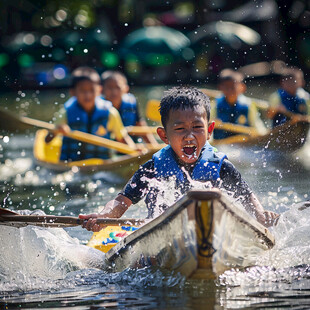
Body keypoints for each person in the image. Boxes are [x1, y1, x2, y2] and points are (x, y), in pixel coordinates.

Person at [79, 87, 278, 231]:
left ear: (209, 131)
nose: (189, 136)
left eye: (197, 128)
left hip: (212, 230)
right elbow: (122, 200)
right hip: (162, 231)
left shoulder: (220, 165)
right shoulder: (153, 169)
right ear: (164, 136)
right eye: (180, 129)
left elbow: (246, 195)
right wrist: (104, 216)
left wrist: (260, 215)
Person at [45, 67, 136, 161]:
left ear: (99, 90)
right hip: (72, 163)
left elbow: (122, 137)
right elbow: (47, 140)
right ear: (73, 92)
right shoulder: (66, 113)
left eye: (91, 90)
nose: (87, 95)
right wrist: (56, 131)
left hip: (102, 163)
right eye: (82, 91)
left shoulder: (110, 113)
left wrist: (134, 150)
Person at [101, 70, 158, 144]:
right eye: (110, 88)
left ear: (126, 89)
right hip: (111, 149)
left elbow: (140, 125)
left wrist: (154, 147)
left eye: (117, 87)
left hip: (132, 148)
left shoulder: (130, 103)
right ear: (101, 89)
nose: (114, 92)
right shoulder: (99, 107)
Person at [212, 69, 267, 139]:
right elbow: (207, 129)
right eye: (226, 87)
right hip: (221, 144)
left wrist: (262, 135)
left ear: (242, 87)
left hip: (243, 145)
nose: (229, 90)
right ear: (220, 87)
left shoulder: (248, 105)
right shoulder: (215, 105)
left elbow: (258, 127)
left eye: (232, 87)